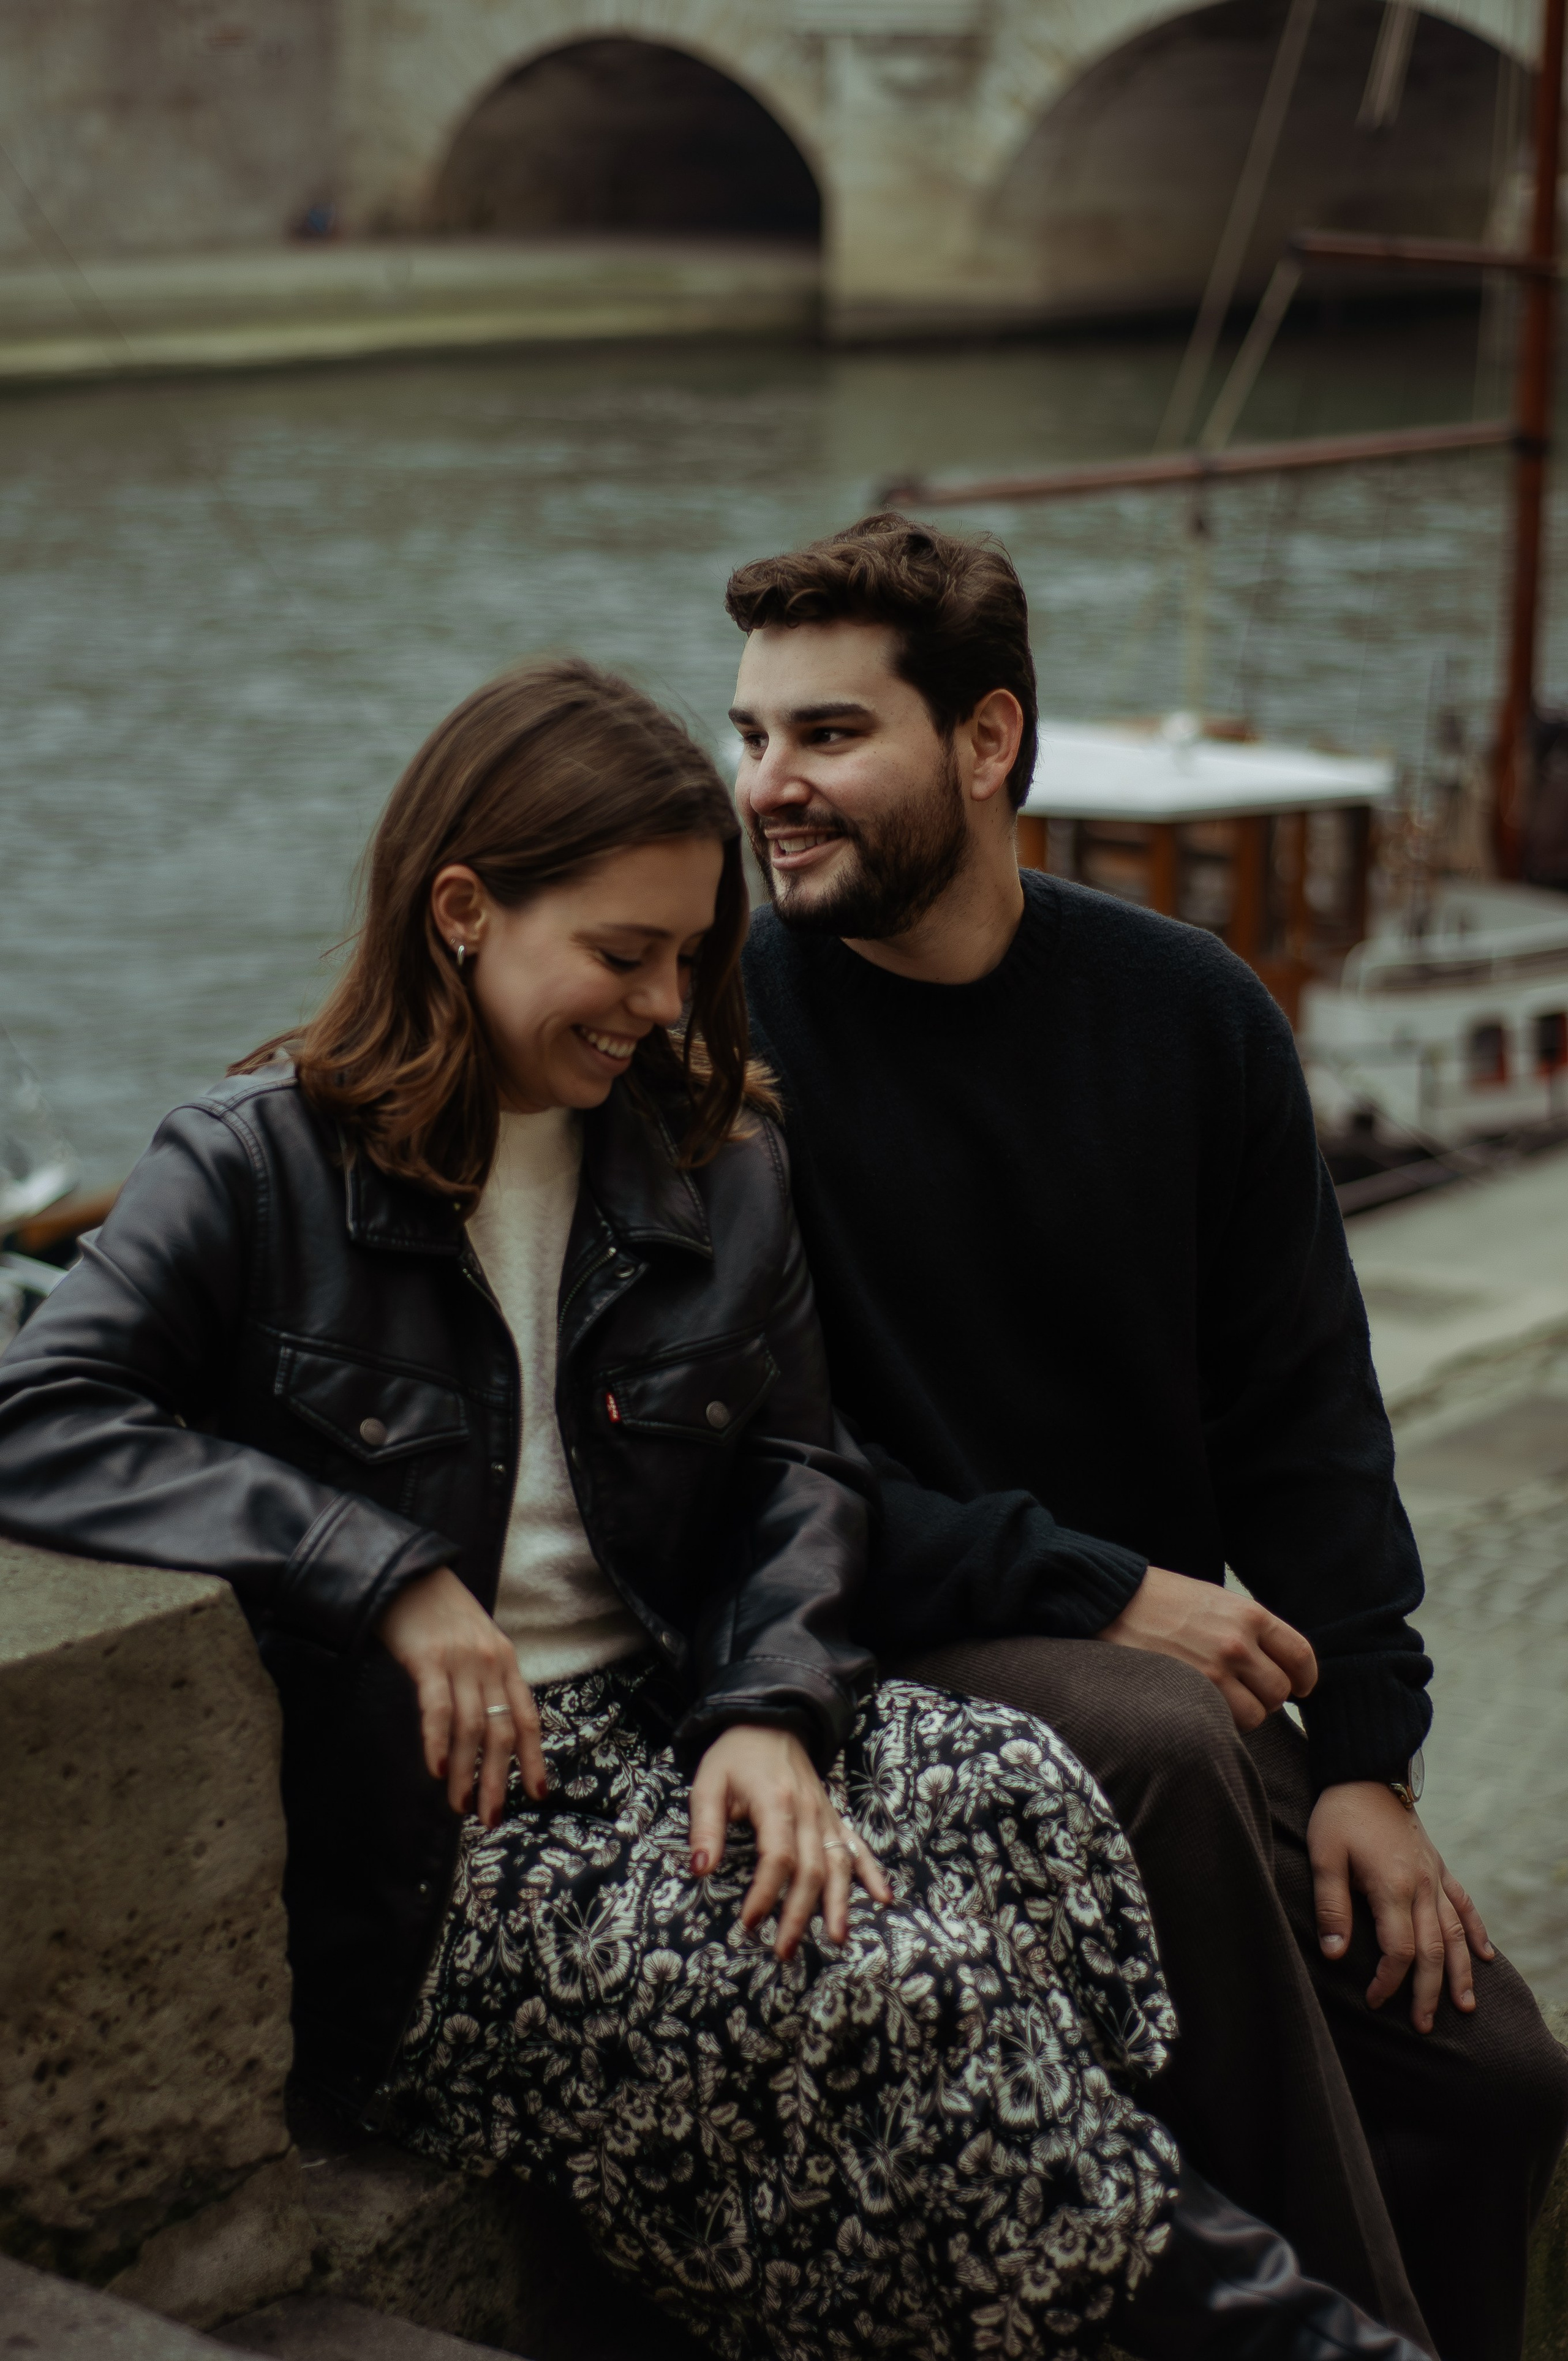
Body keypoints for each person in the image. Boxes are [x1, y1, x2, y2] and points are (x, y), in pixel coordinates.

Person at [0, 658, 1430, 2361]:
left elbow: (793, 1470)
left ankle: (1016, 2289)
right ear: (461, 911)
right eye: (624, 955)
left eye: (689, 956)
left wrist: (767, 1710)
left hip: (672, 1719)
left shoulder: (711, 1155)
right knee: (889, 1978)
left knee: (1033, 1804)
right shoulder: (255, 1163)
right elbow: (38, 1418)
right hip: (455, 1847)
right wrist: (378, 1570)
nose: (667, 1005)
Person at [728, 514, 1568, 2361]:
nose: (769, 786)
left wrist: (1367, 1760)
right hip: (873, 1645)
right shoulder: (724, 1027)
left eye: (827, 735)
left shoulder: (1192, 1015)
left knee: (1498, 2081)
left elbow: (1308, 1420)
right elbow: (745, 1467)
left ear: (988, 741)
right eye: (756, 735)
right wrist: (1097, 1586)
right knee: (1171, 1744)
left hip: (1158, 1666)